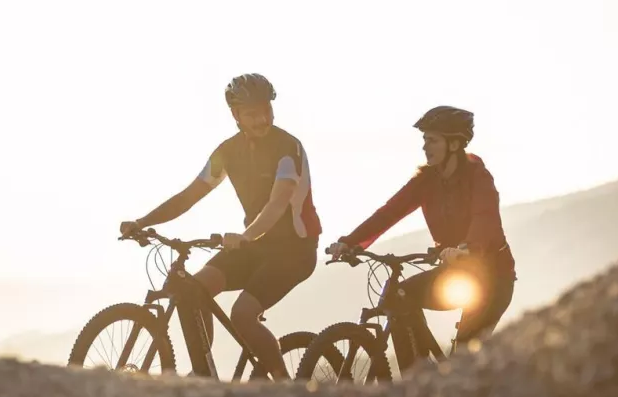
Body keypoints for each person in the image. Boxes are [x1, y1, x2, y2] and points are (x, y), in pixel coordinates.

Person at [119, 73, 321, 380]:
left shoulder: (287, 147)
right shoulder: (227, 152)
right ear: (236, 115)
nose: (262, 118)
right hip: (254, 246)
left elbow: (278, 203)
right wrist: (143, 222)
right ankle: (205, 374)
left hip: (294, 249)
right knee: (193, 290)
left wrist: (245, 235)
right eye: (252, 113)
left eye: (266, 110)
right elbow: (189, 196)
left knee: (242, 315)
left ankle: (286, 389)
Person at [325, 106, 516, 364]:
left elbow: (485, 217)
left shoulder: (478, 177)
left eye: (433, 140)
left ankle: (458, 382)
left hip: (493, 277)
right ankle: (416, 373)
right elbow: (388, 213)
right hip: (455, 270)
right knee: (400, 296)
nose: (425, 146)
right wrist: (350, 242)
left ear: (454, 143)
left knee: (463, 356)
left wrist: (467, 247)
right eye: (424, 140)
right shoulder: (426, 181)